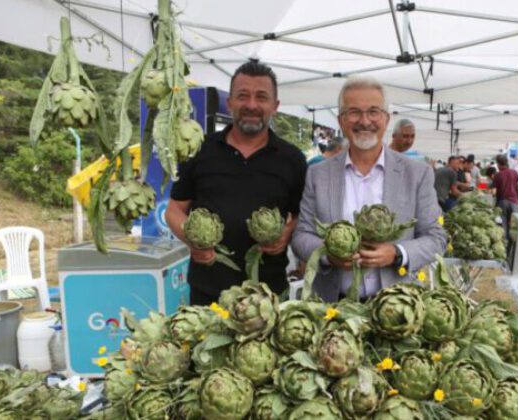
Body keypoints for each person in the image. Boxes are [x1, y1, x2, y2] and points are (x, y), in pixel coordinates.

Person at [291, 76, 446, 302]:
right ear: (341, 120)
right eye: (353, 112)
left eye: (373, 111)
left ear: (386, 118)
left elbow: (436, 238)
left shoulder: (418, 173)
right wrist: (328, 254)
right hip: (331, 305)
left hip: (396, 306)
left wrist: (396, 253)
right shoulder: (318, 174)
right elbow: (301, 235)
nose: (364, 121)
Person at [165, 62, 307, 305]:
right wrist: (193, 241)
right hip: (208, 291)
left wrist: (286, 233)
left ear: (275, 106)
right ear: (230, 102)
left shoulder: (292, 159)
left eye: (261, 97)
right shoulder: (199, 149)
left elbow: (302, 215)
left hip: (268, 294)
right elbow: (174, 210)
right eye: (243, 96)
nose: (251, 105)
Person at [492, 154, 518, 241]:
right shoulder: (514, 172)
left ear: (498, 164)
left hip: (502, 202)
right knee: (515, 229)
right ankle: (513, 249)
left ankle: (505, 248)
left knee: (503, 226)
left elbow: (494, 191)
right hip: (514, 202)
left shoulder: (497, 175)